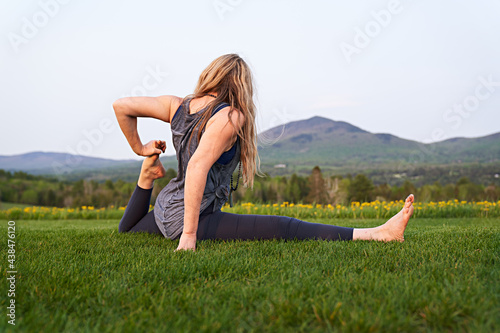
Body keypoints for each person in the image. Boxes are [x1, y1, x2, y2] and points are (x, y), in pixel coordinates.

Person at [113, 54, 415, 251]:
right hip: (192, 216)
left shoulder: (176, 104)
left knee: (128, 232)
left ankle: (145, 178)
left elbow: (122, 107)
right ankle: (378, 233)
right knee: (282, 226)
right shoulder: (230, 117)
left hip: (167, 206)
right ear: (242, 86)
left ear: (210, 76)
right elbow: (195, 168)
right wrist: (189, 236)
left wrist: (140, 149)